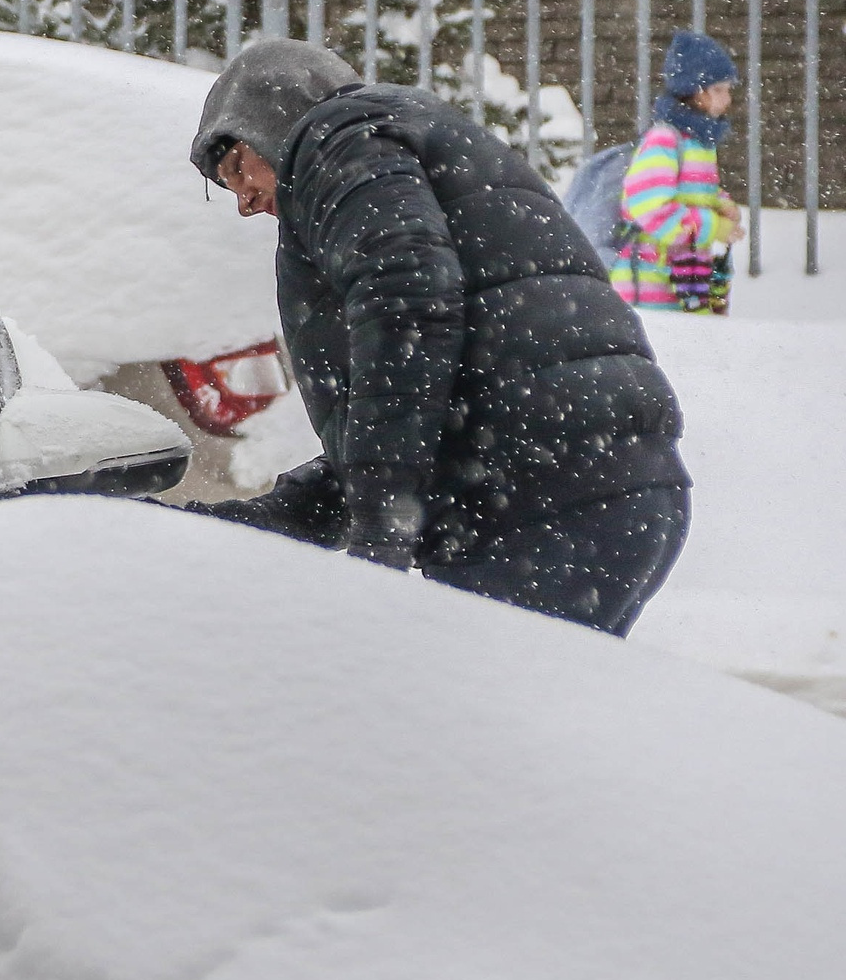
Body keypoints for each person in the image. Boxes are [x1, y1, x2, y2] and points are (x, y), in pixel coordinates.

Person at [180, 39, 688, 636]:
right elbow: (422, 404)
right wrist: (276, 517)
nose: (242, 201)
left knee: (492, 717)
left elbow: (407, 311)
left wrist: (382, 527)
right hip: (593, 485)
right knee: (547, 712)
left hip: (534, 502)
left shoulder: (334, 138)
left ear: (274, 122)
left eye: (238, 167)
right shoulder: (395, 141)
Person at [615, 29, 744, 314]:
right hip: (649, 287)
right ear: (697, 93)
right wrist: (712, 226)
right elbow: (648, 205)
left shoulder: (699, 144)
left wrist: (720, 203)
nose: (728, 99)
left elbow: (694, 193)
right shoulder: (665, 139)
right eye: (720, 90)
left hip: (682, 282)